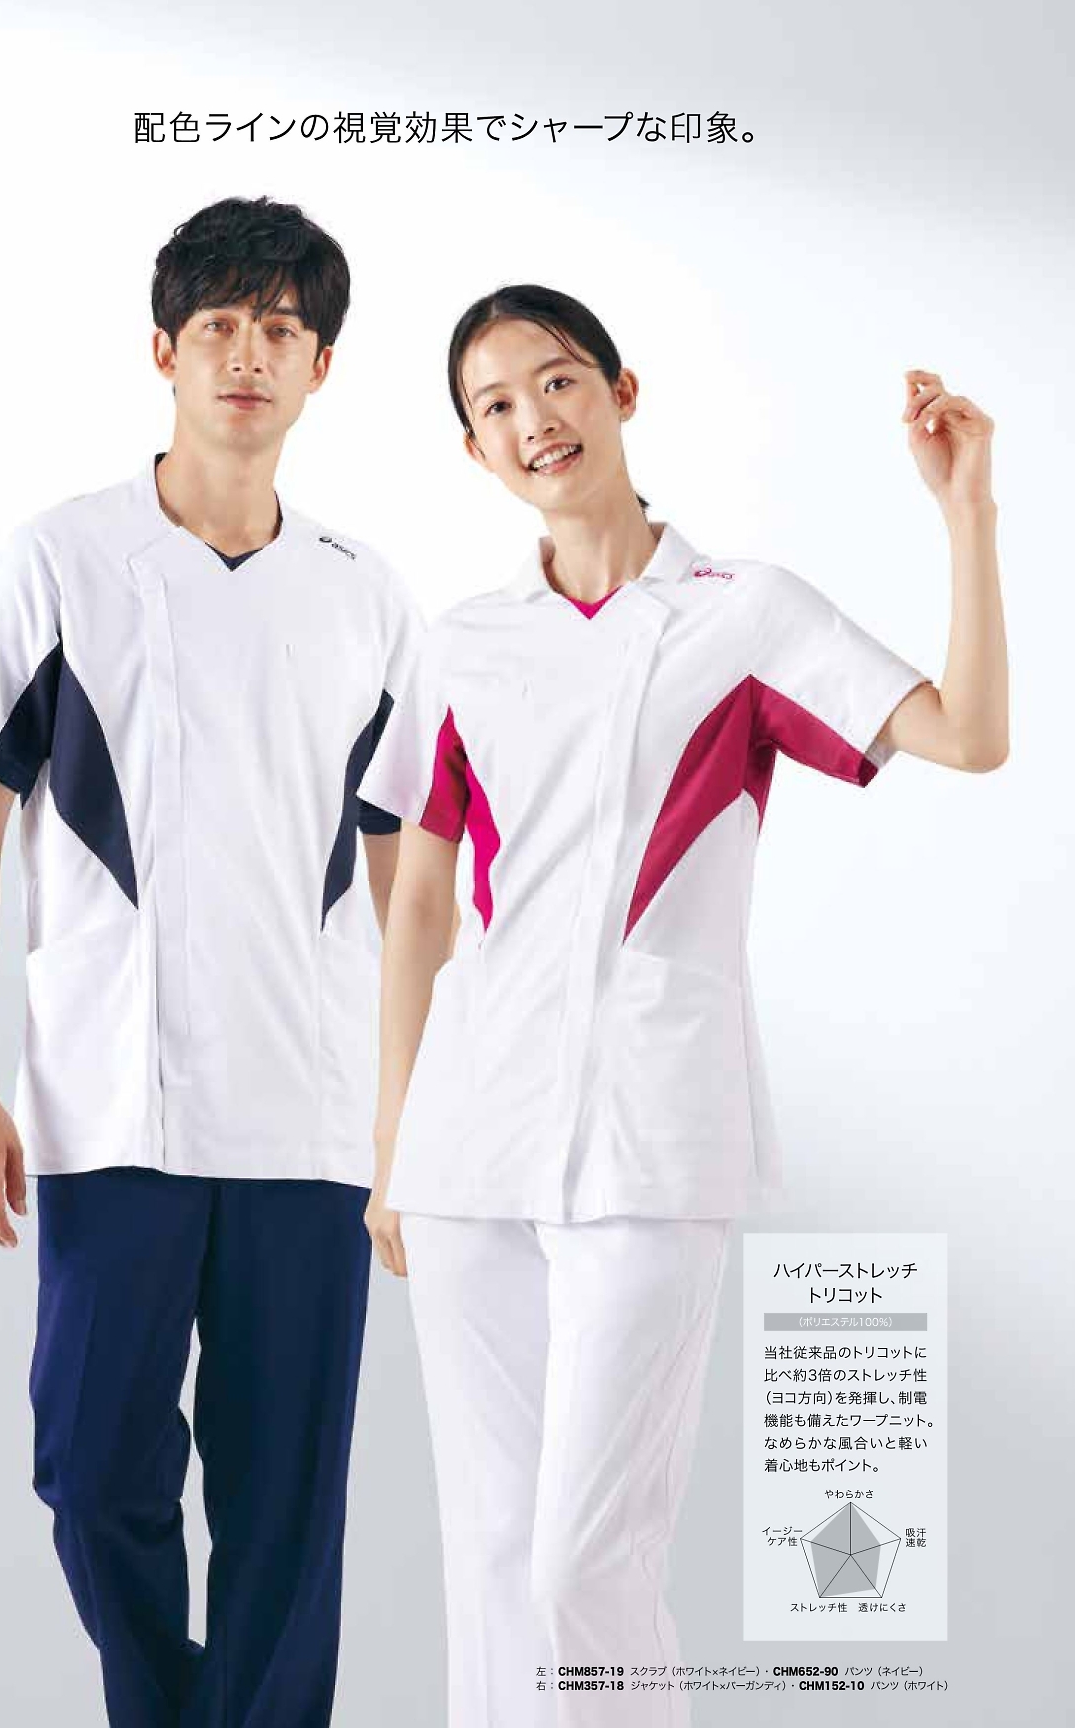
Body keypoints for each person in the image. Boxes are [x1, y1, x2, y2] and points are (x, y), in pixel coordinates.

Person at [357, 283, 1007, 1726]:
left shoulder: (744, 614)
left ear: (621, 392)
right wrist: (394, 1141)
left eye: (558, 381)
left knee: (586, 1565)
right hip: (468, 1143)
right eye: (495, 405)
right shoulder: (462, 643)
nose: (535, 420)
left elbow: (970, 736)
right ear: (472, 448)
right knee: (493, 1557)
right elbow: (418, 904)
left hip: (654, 1136)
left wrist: (966, 511)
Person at [0, 195, 423, 1728]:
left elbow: (409, 878)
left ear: (321, 366)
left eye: (280, 329)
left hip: (312, 1126)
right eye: (220, 327)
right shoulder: (62, 562)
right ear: (164, 352)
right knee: (88, 1466)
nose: (248, 354)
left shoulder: (365, 595)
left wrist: (414, 1118)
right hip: (108, 1109)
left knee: (284, 1515)